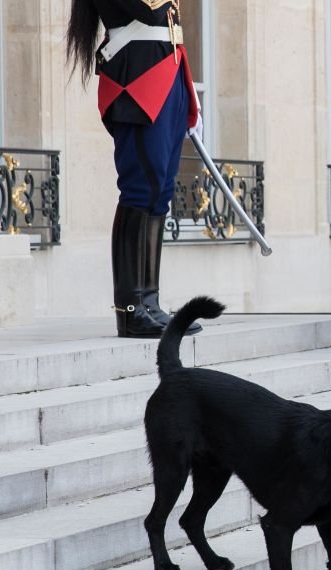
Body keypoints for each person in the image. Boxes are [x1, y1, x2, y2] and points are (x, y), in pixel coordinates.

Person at [66, 0, 201, 338]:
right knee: (141, 188)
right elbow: (148, 9)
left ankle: (150, 302)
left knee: (160, 193)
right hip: (137, 79)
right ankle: (129, 308)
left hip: (167, 71)